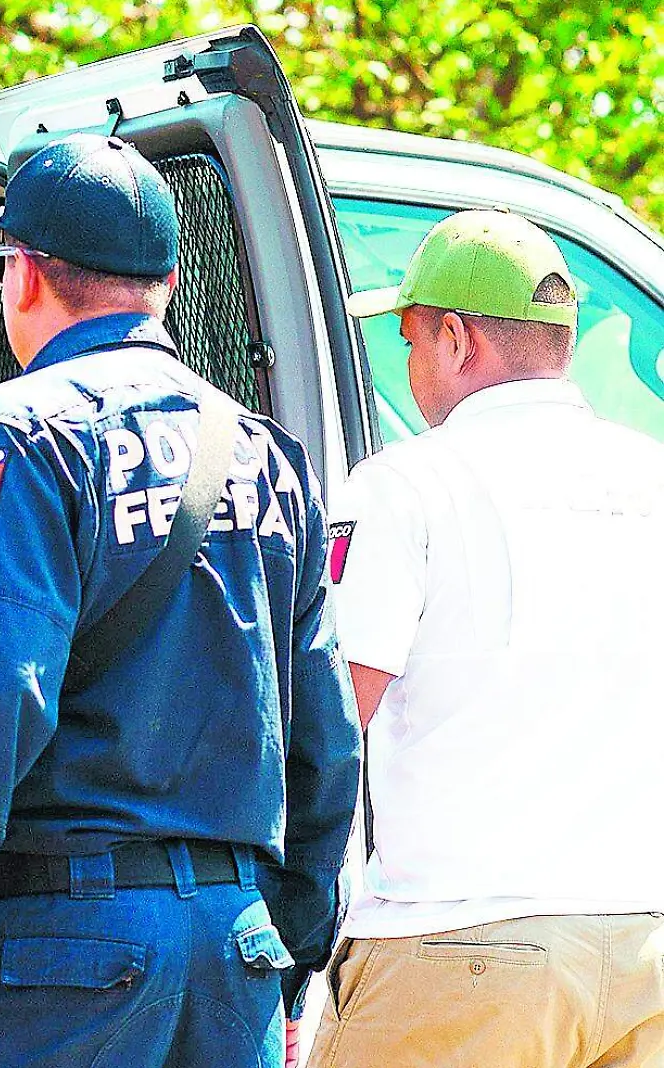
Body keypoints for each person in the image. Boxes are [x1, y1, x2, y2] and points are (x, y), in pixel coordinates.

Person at [0, 133, 362, 1068]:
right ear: (165, 284)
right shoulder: (268, 453)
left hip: (52, 958)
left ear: (23, 275)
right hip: (231, 949)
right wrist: (291, 952)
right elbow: (323, 736)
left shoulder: (15, 435)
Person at [311, 209, 664, 1066]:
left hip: (464, 947)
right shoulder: (652, 476)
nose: (411, 365)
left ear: (457, 338)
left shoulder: (405, 485)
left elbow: (326, 718)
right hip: (644, 946)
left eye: (410, 341)